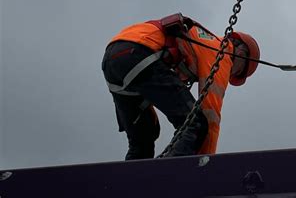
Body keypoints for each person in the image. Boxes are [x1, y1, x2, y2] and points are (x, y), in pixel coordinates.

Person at [101, 13, 260, 159]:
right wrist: (205, 164)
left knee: (145, 135)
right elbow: (211, 115)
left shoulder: (199, 42)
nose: (231, 75)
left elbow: (157, 87)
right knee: (195, 123)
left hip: (114, 61)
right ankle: (170, 174)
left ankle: (132, 183)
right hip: (140, 54)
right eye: (238, 72)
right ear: (241, 55)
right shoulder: (222, 52)